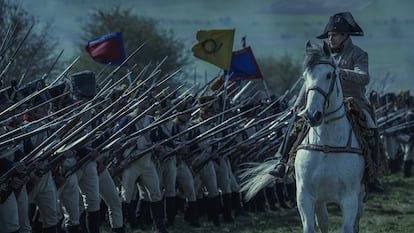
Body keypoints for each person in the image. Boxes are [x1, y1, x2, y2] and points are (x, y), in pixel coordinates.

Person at [269, 11, 385, 192]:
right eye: (329, 36)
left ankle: (372, 175)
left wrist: (344, 72)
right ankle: (282, 161)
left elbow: (364, 77)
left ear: (345, 36)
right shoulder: (322, 56)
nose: (330, 39)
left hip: (354, 101)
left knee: (370, 127)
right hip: (323, 101)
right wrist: (299, 103)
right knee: (296, 122)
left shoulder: (359, 54)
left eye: (334, 35)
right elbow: (310, 82)